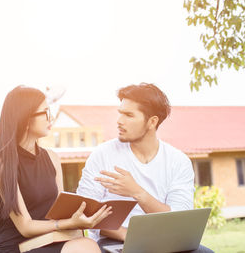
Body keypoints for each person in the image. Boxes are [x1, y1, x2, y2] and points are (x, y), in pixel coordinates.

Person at [77, 83, 213, 253]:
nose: (119, 121)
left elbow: (178, 219)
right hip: (114, 241)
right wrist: (126, 235)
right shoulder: (102, 155)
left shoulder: (178, 161)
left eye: (128, 115)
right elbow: (84, 211)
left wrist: (137, 193)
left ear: (152, 122)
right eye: (120, 113)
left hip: (165, 240)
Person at [0, 85, 112, 253]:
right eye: (45, 112)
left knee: (87, 244)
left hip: (46, 240)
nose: (50, 118)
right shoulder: (2, 165)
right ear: (25, 118)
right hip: (14, 246)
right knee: (85, 247)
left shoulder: (52, 158)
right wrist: (69, 223)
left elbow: (59, 210)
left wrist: (84, 216)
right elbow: (26, 227)